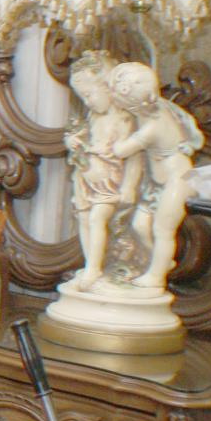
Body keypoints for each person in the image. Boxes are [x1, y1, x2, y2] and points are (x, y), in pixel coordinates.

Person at [109, 61, 204, 289]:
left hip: (178, 180)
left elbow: (121, 151)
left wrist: (115, 132)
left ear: (135, 105)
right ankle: (161, 260)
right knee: (140, 226)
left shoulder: (152, 127)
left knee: (163, 229)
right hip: (157, 183)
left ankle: (156, 275)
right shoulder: (156, 105)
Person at [64, 52, 137, 291]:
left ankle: (95, 268)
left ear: (107, 86)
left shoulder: (124, 119)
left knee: (97, 218)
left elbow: (135, 157)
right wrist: (72, 141)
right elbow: (80, 135)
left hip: (110, 182)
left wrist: (129, 186)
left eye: (89, 95)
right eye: (82, 97)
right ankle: (91, 265)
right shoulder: (93, 116)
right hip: (85, 178)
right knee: (84, 218)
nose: (87, 102)